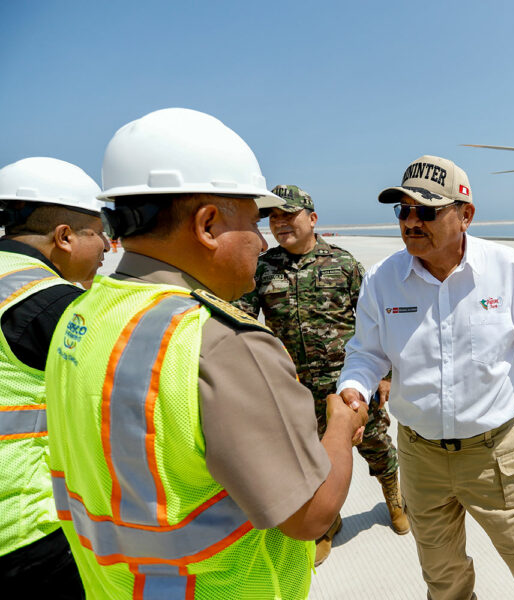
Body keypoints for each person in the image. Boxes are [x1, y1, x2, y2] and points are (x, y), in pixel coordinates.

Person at [43, 108, 366, 599]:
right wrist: (339, 427)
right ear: (208, 224)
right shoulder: (221, 342)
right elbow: (312, 514)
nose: (262, 240)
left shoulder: (82, 314)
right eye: (254, 221)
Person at [336, 154, 514, 600]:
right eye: (403, 210)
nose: (410, 221)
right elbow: (366, 353)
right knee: (443, 580)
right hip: (420, 457)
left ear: (465, 216)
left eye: (426, 211)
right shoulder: (383, 280)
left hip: (495, 455)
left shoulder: (508, 269)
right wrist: (353, 389)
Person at [234, 183, 408, 566]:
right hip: (293, 387)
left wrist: (386, 374)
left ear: (312, 219)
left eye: (288, 215)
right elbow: (245, 322)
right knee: (312, 458)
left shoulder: (344, 264)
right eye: (273, 217)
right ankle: (327, 523)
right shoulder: (263, 268)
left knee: (376, 443)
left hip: (349, 381)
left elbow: (374, 323)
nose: (279, 223)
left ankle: (394, 497)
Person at [0, 157, 107, 598]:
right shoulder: (50, 303)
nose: (106, 246)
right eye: (99, 232)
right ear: (64, 237)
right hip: (27, 528)